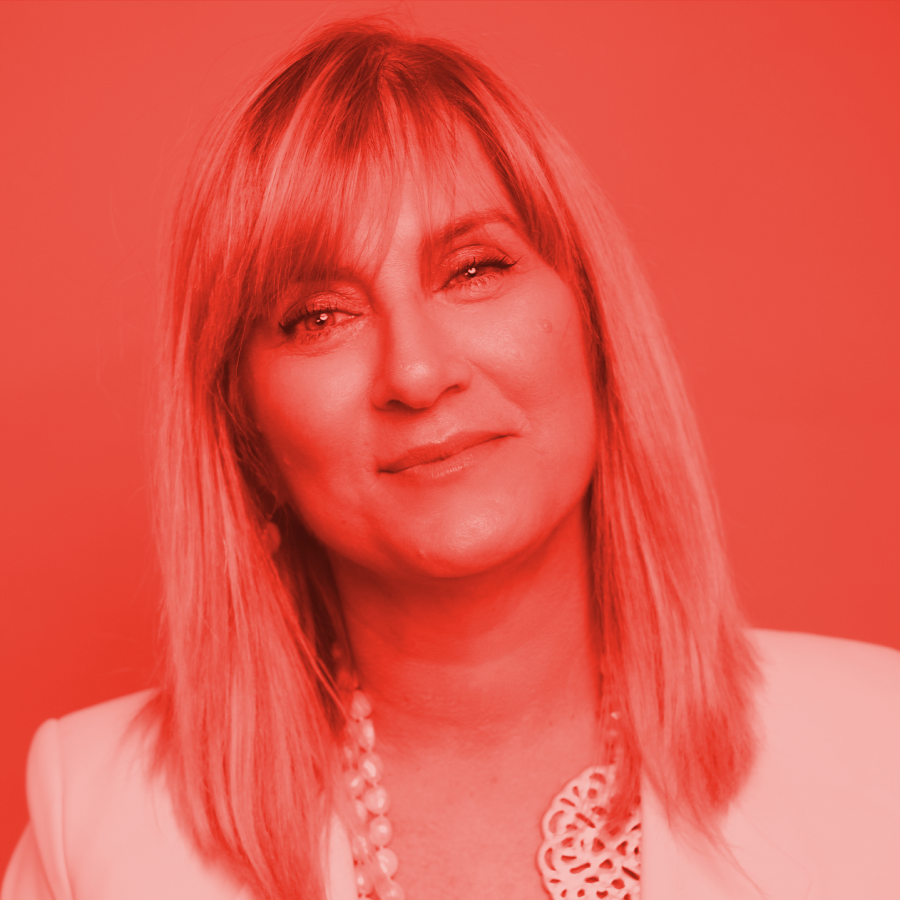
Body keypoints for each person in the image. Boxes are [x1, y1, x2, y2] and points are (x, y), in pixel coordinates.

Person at [3, 16, 899, 900]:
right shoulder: (97, 824)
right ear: (247, 433)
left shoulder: (879, 745)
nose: (417, 374)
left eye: (474, 270)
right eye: (320, 317)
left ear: (594, 327)